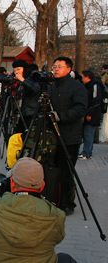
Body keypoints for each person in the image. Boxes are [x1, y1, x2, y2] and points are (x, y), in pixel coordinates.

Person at [0, 158, 72, 263]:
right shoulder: (57, 216)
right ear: (42, 186)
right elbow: (58, 239)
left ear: (12, 184)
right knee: (65, 258)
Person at [47, 57, 87, 215]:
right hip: (51, 136)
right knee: (51, 168)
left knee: (66, 171)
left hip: (69, 136)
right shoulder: (50, 86)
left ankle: (67, 202)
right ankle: (52, 198)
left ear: (68, 69)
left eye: (59, 67)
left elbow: (80, 108)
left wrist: (60, 116)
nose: (55, 69)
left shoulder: (76, 87)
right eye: (54, 66)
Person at [79, 70, 104, 160]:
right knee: (86, 133)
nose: (82, 79)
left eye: (83, 77)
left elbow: (96, 100)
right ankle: (87, 151)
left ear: (87, 77)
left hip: (93, 113)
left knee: (88, 133)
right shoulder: (87, 86)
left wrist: (90, 113)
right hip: (87, 112)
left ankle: (87, 152)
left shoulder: (95, 85)